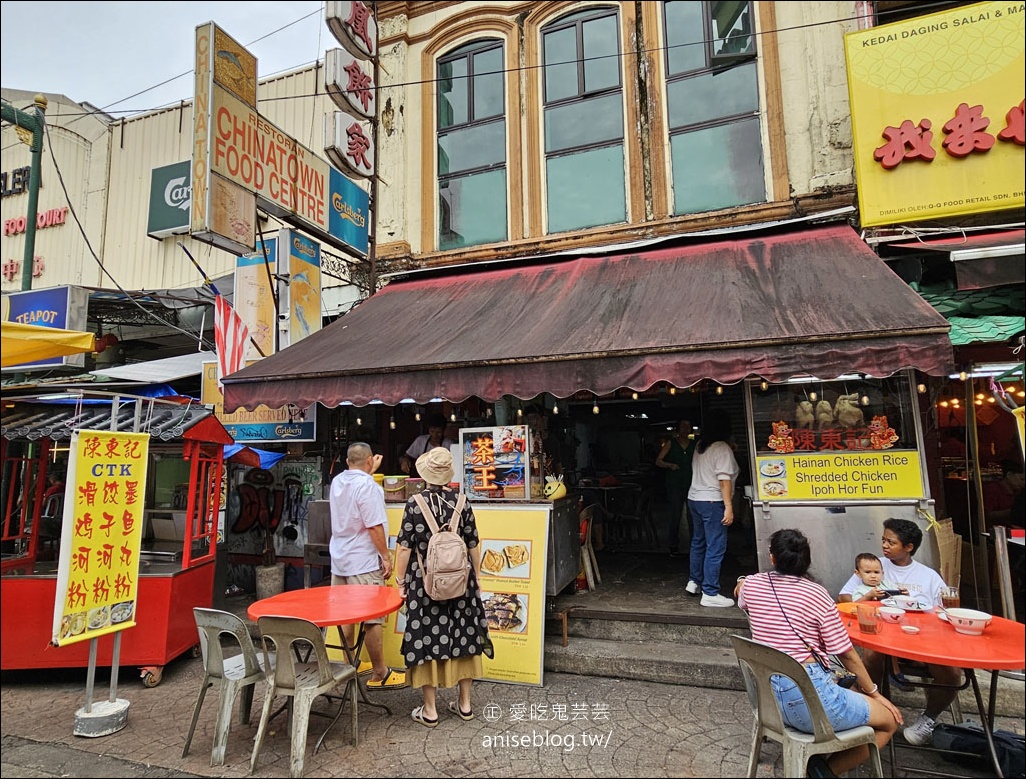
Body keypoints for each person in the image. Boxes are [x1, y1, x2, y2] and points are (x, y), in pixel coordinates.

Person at [735, 528, 902, 778]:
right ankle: (824, 772)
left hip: (768, 704)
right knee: (889, 721)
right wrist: (877, 694)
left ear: (773, 559)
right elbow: (846, 655)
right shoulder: (816, 594)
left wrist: (740, 580)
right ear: (807, 560)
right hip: (809, 703)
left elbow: (740, 590)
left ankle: (819, 761)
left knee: (850, 691)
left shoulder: (753, 585)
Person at [838, 518, 957, 746]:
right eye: (883, 540)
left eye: (891, 542)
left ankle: (928, 719)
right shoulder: (873, 565)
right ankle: (865, 711)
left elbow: (943, 611)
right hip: (883, 635)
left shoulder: (928, 576)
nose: (884, 545)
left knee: (952, 673)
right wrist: (870, 595)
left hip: (923, 640)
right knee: (871, 656)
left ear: (908, 547)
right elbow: (844, 599)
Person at [393, 447, 489, 727]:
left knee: (426, 638)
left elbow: (404, 548)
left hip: (424, 585)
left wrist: (400, 583)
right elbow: (473, 543)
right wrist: (478, 577)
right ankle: (465, 704)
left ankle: (431, 710)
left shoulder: (415, 503)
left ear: (424, 475)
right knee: (465, 636)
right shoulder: (462, 501)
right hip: (462, 583)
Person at [328, 442, 407, 690]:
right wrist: (385, 556)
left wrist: (368, 471)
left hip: (340, 559)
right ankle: (380, 673)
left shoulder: (338, 482)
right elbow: (374, 526)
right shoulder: (369, 487)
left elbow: (356, 481)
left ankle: (351, 663)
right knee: (372, 618)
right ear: (370, 460)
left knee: (346, 616)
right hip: (363, 559)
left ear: (347, 461)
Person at [685, 409, 739, 607]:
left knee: (698, 542)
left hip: (695, 500)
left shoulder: (700, 446)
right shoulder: (722, 448)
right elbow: (724, 480)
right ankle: (710, 592)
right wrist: (729, 506)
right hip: (712, 501)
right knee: (715, 546)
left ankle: (694, 581)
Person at [655, 419, 696, 557]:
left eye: (688, 426)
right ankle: (673, 544)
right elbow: (658, 461)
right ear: (678, 429)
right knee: (675, 514)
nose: (685, 428)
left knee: (693, 516)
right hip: (674, 484)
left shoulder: (695, 444)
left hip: (692, 484)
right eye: (682, 426)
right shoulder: (671, 443)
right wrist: (669, 465)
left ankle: (695, 545)